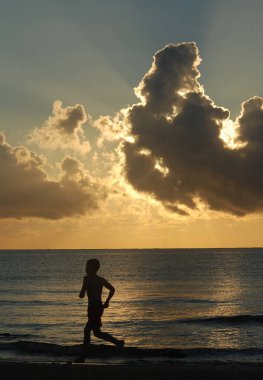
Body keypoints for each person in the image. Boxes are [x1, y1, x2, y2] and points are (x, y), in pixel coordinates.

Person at [78, 258, 125, 361]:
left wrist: (82, 293)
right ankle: (118, 343)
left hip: (93, 307)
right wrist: (107, 301)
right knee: (96, 333)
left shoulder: (86, 279)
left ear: (93, 268)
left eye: (87, 267)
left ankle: (82, 357)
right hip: (98, 307)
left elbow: (82, 294)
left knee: (87, 330)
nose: (85, 269)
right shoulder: (101, 280)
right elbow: (112, 289)